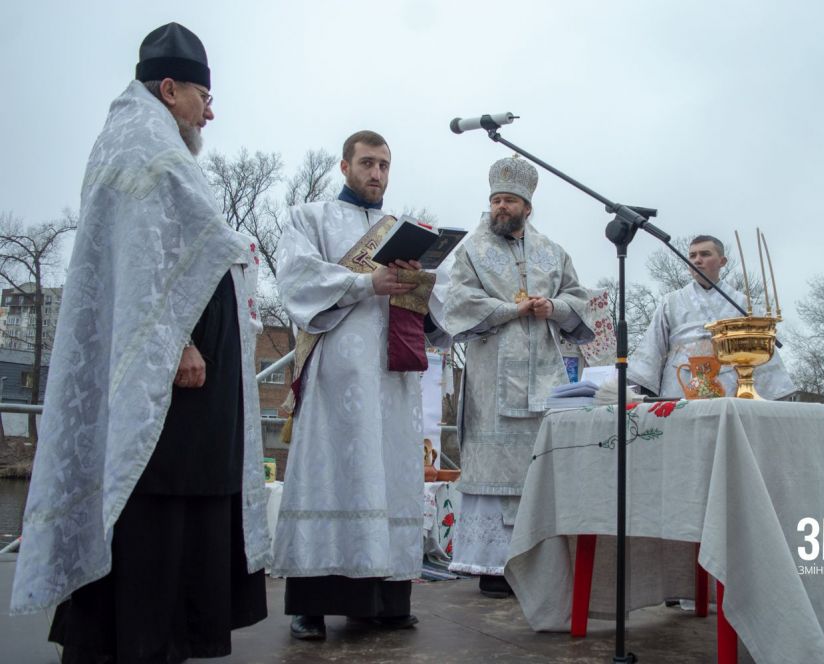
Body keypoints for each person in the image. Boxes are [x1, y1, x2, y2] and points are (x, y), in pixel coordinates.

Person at [10, 23, 271, 663]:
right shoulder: (143, 146)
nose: (211, 109)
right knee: (155, 508)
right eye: (203, 97)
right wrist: (179, 339)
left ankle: (160, 639)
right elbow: (148, 265)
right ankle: (139, 641)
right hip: (171, 379)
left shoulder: (147, 141)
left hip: (192, 389)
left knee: (181, 513)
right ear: (169, 87)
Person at [273, 130, 450, 640]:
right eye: (368, 163)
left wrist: (419, 282)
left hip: (391, 377)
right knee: (329, 473)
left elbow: (437, 318)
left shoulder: (401, 229)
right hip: (337, 372)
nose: (377, 174)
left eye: (385, 165)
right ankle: (311, 603)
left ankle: (384, 600)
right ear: (345, 166)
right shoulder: (310, 218)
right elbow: (298, 282)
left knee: (389, 476)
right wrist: (366, 282)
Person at [443, 156, 596, 598]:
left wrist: (554, 308)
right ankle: (492, 567)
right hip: (491, 380)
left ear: (528, 206)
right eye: (495, 200)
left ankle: (538, 561)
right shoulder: (472, 250)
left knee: (538, 468)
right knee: (495, 471)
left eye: (509, 200)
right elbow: (458, 302)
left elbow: (578, 299)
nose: (500, 208)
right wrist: (513, 309)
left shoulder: (553, 251)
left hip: (543, 377)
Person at [629, 234, 795, 399]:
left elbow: (759, 356)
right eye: (692, 255)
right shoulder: (670, 302)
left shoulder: (744, 304)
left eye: (705, 254)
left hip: (730, 388)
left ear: (722, 262)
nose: (697, 260)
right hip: (679, 386)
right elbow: (652, 348)